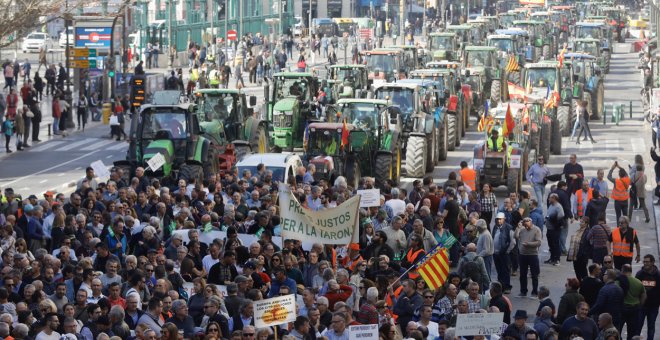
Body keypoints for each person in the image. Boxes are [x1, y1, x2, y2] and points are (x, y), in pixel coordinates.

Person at [515, 217, 542, 297]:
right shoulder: (522, 229)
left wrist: (529, 244)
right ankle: (523, 291)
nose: (525, 224)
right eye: (524, 222)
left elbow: (539, 242)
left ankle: (534, 292)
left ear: (531, 222)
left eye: (527, 222)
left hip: (533, 254)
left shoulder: (536, 230)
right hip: (523, 254)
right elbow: (516, 236)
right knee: (522, 274)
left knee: (534, 275)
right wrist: (518, 228)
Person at [636, 254, 660, 340]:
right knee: (638, 327)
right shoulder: (639, 274)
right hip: (642, 306)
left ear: (653, 262)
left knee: (651, 327)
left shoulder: (658, 275)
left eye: (647, 262)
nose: (645, 263)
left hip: (653, 307)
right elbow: (636, 290)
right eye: (644, 262)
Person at [492, 212, 515, 294]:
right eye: (497, 219)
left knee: (505, 270)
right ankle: (500, 286)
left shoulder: (509, 228)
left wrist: (507, 251)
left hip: (504, 254)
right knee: (499, 270)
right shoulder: (495, 227)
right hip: (496, 253)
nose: (498, 221)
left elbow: (512, 242)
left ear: (504, 219)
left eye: (500, 219)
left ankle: (507, 287)